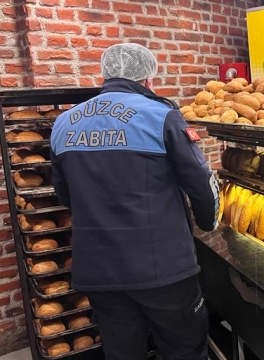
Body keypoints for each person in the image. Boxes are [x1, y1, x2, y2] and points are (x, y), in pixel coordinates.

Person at [50, 43, 219, 360]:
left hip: (98, 269)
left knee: (121, 353)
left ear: (104, 74)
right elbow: (200, 183)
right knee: (185, 350)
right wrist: (209, 222)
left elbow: (65, 196)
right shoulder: (162, 117)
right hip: (162, 269)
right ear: (148, 79)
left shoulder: (64, 124)